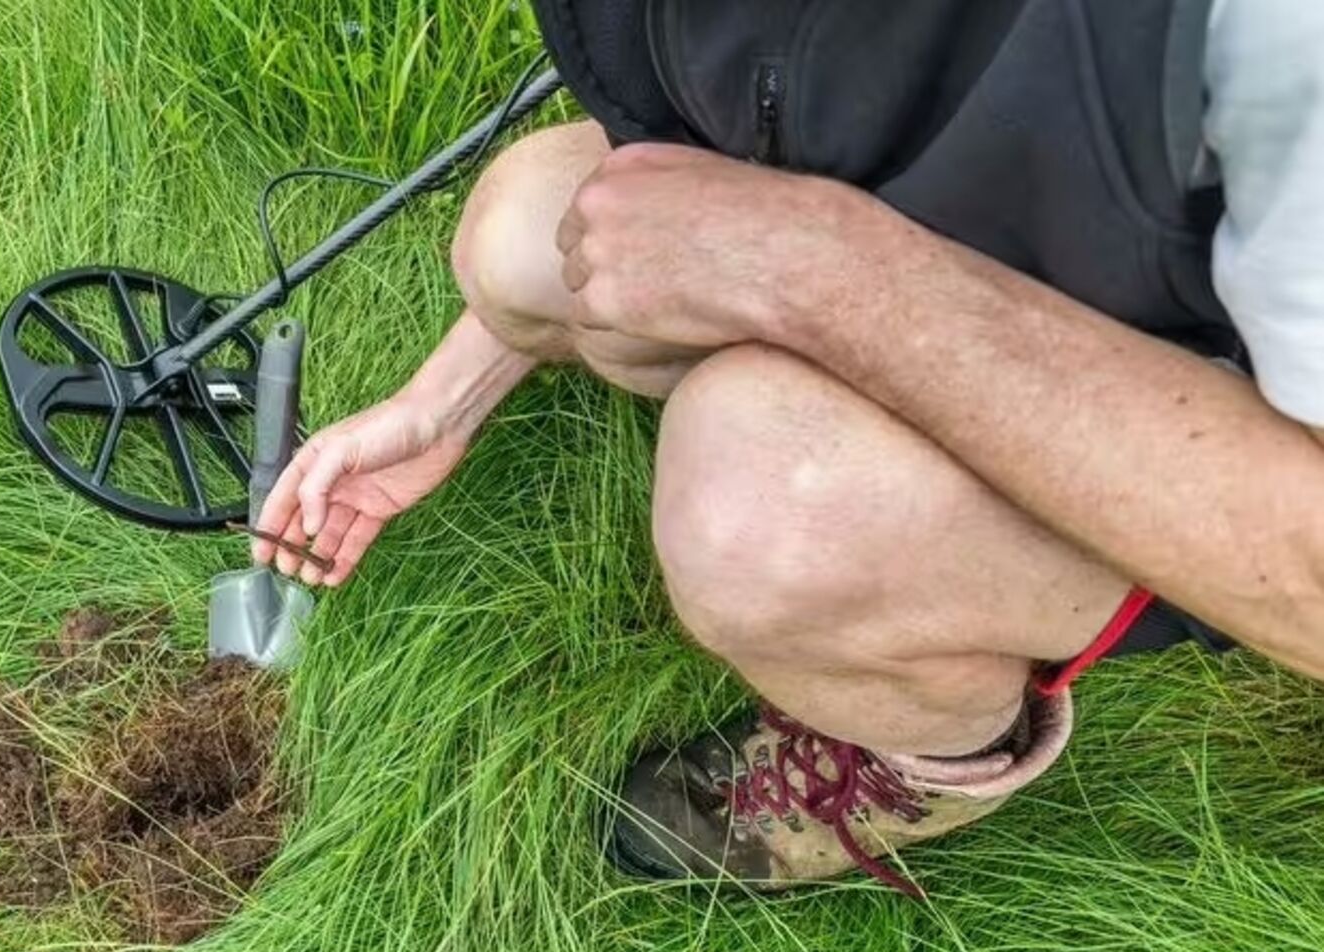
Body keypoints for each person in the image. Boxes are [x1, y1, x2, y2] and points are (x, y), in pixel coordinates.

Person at [246, 0, 1324, 897]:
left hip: (1202, 438)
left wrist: (822, 272)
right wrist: (446, 398)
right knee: (524, 231)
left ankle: (931, 751)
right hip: (959, 234)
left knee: (763, 506)